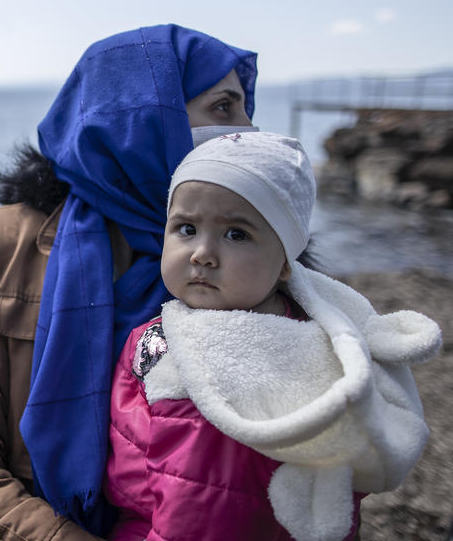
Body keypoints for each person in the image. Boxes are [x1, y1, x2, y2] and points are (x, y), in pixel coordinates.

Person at [0, 24, 261, 540]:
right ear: (144, 117)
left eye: (247, 110)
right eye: (225, 109)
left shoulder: (257, 256)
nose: (248, 133)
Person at [104, 132, 441, 541]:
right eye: (186, 228)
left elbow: (199, 501)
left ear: (285, 263)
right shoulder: (155, 335)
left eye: (236, 235)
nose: (202, 253)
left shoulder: (303, 353)